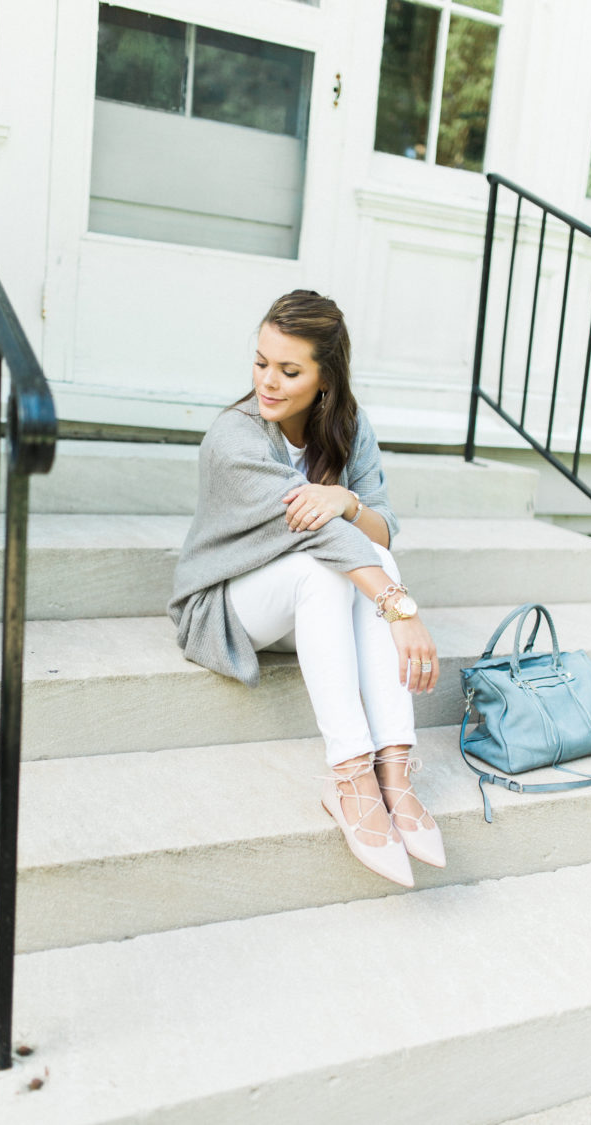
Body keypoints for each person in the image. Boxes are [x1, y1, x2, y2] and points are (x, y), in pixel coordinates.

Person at [168, 290, 444, 888]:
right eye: (261, 362)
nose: (268, 381)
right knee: (330, 564)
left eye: (289, 371)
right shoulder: (232, 439)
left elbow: (383, 530)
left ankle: (393, 767)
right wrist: (398, 609)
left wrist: (346, 499)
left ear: (325, 379)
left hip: (311, 608)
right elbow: (319, 539)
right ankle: (349, 774)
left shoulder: (350, 425)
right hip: (227, 606)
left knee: (361, 555)